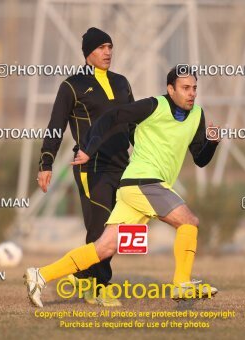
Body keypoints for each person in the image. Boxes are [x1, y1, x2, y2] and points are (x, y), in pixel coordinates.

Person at [24, 66, 220, 307]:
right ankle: (181, 284)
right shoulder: (153, 106)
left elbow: (200, 159)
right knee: (189, 222)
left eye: (194, 88)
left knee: (103, 248)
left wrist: (211, 143)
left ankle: (40, 275)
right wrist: (88, 147)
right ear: (170, 90)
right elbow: (112, 116)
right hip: (143, 181)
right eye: (185, 88)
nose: (191, 93)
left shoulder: (197, 115)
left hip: (133, 189)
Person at [36, 27, 135, 306]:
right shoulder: (72, 85)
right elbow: (55, 126)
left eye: (110, 47)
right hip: (90, 167)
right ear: (88, 52)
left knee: (117, 230)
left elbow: (132, 125)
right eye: (102, 47)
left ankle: (81, 277)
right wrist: (46, 162)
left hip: (122, 166)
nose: (108, 52)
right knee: (100, 225)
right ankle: (99, 286)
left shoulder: (122, 83)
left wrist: (146, 156)